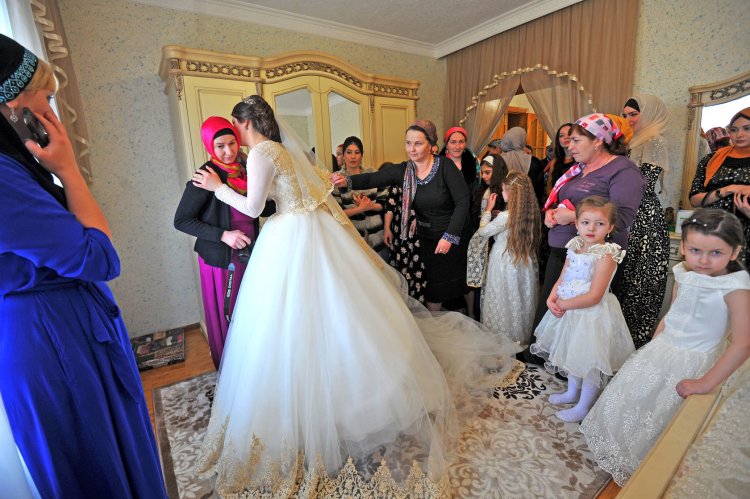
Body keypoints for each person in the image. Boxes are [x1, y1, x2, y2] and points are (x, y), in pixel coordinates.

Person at [190, 96, 520, 496]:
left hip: (286, 235)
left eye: (235, 127)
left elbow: (254, 206)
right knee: (333, 313)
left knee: (292, 319)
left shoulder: (261, 152)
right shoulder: (281, 150)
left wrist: (218, 188)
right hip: (306, 229)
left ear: (244, 123)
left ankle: (311, 410)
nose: (235, 136)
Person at [0, 35, 166, 497]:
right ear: (15, 105)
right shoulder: (3, 176)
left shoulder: (15, 170)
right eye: (47, 98)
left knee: (111, 455)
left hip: (58, 325)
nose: (51, 110)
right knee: (99, 466)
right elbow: (98, 257)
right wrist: (69, 170)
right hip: (53, 337)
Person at [581, 208, 750, 486]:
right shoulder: (683, 273)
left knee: (668, 421)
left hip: (697, 363)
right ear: (683, 247)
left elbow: (743, 343)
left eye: (716, 253)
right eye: (695, 250)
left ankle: (652, 471)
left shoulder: (735, 287)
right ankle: (626, 454)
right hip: (663, 351)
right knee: (637, 404)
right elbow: (672, 314)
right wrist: (653, 344)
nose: (703, 260)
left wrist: (704, 383)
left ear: (735, 252)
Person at [522, 113, 645, 365]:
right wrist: (552, 213)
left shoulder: (623, 170)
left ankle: (574, 369)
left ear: (598, 141)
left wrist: (573, 217)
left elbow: (621, 218)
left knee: (580, 316)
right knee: (555, 308)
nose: (570, 146)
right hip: (567, 251)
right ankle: (550, 361)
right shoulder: (580, 169)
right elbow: (565, 201)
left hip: (594, 259)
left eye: (576, 141)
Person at [336, 120, 476, 315]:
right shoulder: (404, 170)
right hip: (429, 237)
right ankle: (436, 324)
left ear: (431, 144)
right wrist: (346, 180)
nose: (412, 148)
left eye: (418, 143)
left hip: (455, 235)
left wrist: (449, 236)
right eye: (408, 143)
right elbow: (372, 178)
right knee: (435, 285)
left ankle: (472, 313)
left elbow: (462, 202)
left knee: (462, 279)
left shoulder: (446, 166)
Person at [531, 197, 635, 422]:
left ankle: (584, 406)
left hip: (591, 315)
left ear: (611, 227)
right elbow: (563, 277)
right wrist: (552, 297)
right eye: (586, 222)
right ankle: (571, 392)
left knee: (588, 361)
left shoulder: (606, 254)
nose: (591, 228)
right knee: (572, 352)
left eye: (600, 223)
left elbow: (595, 295)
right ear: (576, 223)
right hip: (570, 312)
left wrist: (563, 304)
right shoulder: (575, 246)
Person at [174, 116, 259, 369]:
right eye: (220, 146)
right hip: (221, 259)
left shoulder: (245, 169)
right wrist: (224, 235)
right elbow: (181, 221)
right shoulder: (206, 176)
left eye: (232, 143)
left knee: (250, 312)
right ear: (209, 146)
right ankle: (230, 370)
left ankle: (251, 370)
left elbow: (254, 207)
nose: (228, 151)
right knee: (228, 315)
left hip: (250, 251)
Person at [619, 95, 671, 348]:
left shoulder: (655, 140)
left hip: (645, 219)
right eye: (625, 115)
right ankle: (618, 342)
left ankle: (634, 343)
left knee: (641, 281)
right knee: (624, 279)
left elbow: (644, 183)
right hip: (627, 213)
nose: (628, 119)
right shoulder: (630, 142)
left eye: (633, 114)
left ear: (648, 113)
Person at [468, 172, 540, 346]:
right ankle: (519, 336)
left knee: (502, 298)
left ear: (511, 193)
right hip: (523, 262)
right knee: (518, 297)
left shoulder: (505, 217)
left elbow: (483, 232)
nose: (501, 193)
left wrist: (487, 211)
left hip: (504, 262)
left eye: (503, 190)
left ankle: (502, 337)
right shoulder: (529, 213)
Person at [689, 108, 750, 268]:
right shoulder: (712, 159)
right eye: (734, 130)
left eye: (747, 128)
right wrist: (727, 189)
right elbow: (694, 199)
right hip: (711, 233)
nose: (739, 135)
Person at [332, 135, 386, 255]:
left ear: (361, 155)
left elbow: (384, 204)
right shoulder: (337, 179)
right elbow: (337, 213)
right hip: (352, 237)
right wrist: (360, 209)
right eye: (349, 152)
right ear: (344, 155)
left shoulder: (372, 174)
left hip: (377, 236)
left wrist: (370, 206)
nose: (353, 156)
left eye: (357, 152)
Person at [382, 163, 426, 303]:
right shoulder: (399, 179)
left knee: (418, 268)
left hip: (420, 232)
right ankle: (401, 304)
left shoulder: (426, 180)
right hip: (399, 232)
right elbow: (390, 206)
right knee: (400, 268)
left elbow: (432, 204)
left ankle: (418, 302)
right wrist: (387, 228)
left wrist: (420, 217)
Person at [498, 126, 545, 206]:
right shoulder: (534, 161)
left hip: (504, 204)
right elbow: (539, 188)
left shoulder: (498, 160)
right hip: (528, 204)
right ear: (523, 140)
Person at [470, 153, 506, 228]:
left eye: (487, 172)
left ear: (497, 171)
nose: (483, 176)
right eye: (482, 172)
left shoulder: (506, 191)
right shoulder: (481, 188)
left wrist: (502, 215)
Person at [440, 125, 479, 194]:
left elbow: (476, 187)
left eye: (461, 142)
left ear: (465, 143)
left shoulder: (473, 161)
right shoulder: (438, 163)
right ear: (446, 144)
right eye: (453, 142)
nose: (457, 147)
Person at [543, 123, 574, 195]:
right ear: (558, 140)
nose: (566, 137)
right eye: (562, 135)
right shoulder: (554, 162)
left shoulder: (581, 161)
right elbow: (549, 187)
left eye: (569, 134)